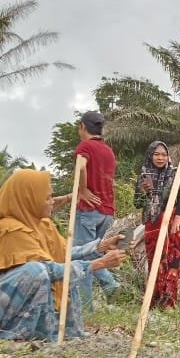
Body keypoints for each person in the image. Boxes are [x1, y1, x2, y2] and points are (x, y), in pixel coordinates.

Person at [0, 169, 126, 341]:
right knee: (37, 272)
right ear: (30, 199)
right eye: (47, 198)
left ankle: (68, 332)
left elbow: (64, 255)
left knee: (66, 270)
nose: (52, 202)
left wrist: (101, 246)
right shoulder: (9, 229)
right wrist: (99, 264)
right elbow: (50, 269)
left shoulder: (41, 225)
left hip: (3, 300)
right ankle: (6, 333)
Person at [134, 142, 180, 309]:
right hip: (153, 224)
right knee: (155, 262)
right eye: (156, 154)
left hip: (172, 222)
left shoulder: (175, 174)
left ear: (168, 156)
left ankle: (169, 302)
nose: (160, 158)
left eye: (164, 154)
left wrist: (178, 218)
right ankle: (155, 299)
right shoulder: (144, 175)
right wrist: (143, 192)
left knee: (173, 260)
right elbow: (137, 203)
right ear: (150, 155)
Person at [74, 110, 118, 300]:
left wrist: (83, 190)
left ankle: (91, 299)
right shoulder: (108, 150)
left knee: (81, 256)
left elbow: (81, 166)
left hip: (88, 210)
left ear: (82, 126)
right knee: (94, 253)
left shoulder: (85, 146)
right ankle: (108, 288)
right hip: (106, 211)